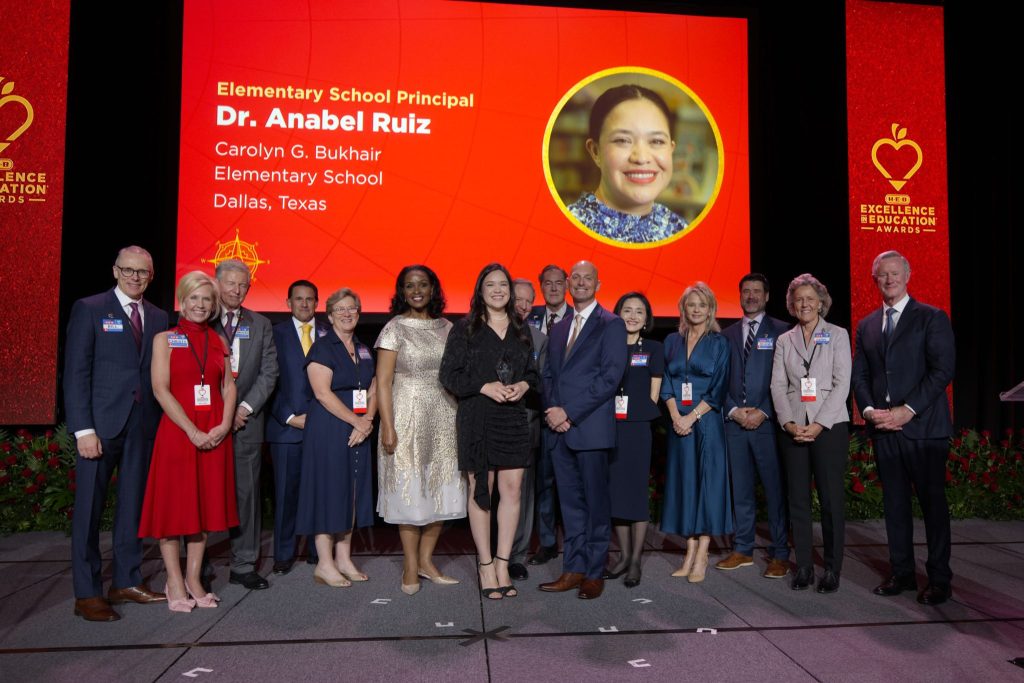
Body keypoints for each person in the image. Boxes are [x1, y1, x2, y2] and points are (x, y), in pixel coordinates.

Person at [64, 246, 169, 621]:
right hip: (100, 428)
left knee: (133, 509)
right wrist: (83, 429)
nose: (135, 277)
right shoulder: (90, 309)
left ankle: (125, 581)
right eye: (128, 270)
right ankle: (87, 592)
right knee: (89, 511)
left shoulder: (159, 317)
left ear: (151, 275)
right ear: (115, 271)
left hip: (143, 427)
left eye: (142, 272)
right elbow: (76, 373)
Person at [852, 251, 955, 606]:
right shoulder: (866, 325)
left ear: (908, 275)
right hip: (884, 429)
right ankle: (903, 573)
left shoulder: (931, 317)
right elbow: (860, 375)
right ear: (875, 280)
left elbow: (943, 370)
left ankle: (940, 579)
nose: (889, 279)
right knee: (894, 506)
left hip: (924, 429)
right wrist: (868, 410)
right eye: (882, 275)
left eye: (895, 273)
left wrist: (907, 411)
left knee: (932, 507)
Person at [139, 271, 238, 612]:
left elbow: (228, 386)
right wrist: (191, 430)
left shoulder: (219, 341)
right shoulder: (164, 339)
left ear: (214, 306)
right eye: (194, 298)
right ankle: (174, 581)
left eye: (206, 299)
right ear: (182, 301)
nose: (200, 304)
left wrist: (224, 424)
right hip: (179, 434)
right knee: (175, 510)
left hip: (213, 433)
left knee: (204, 509)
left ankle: (194, 578)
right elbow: (159, 389)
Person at [440, 264, 539, 599]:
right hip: (477, 419)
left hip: (513, 420)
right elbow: (449, 376)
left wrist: (524, 384)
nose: (498, 290)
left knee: (512, 491)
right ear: (479, 290)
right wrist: (483, 386)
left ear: (510, 291)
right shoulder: (464, 329)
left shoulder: (521, 329)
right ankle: (484, 566)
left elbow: (535, 376)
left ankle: (502, 563)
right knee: (481, 489)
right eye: (491, 284)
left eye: (503, 285)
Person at [538, 260, 627, 600]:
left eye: (587, 277)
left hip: (590, 430)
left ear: (598, 284)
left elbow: (610, 378)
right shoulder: (560, 328)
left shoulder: (611, 324)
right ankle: (572, 568)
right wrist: (552, 412)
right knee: (571, 507)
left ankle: (594, 571)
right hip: (560, 431)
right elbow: (548, 376)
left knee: (595, 505)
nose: (580, 283)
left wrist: (569, 413)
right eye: (574, 277)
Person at [375, 265, 466, 595]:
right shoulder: (393, 329)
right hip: (405, 415)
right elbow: (383, 383)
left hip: (444, 415)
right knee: (410, 493)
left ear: (433, 289)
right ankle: (409, 568)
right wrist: (387, 426)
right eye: (410, 285)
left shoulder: (448, 328)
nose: (417, 290)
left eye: (423, 284)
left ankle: (426, 561)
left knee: (441, 489)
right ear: (402, 291)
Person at [770, 274, 851, 593]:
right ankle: (803, 565)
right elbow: (777, 385)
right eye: (798, 299)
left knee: (831, 500)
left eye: (809, 298)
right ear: (791, 305)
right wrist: (789, 423)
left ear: (821, 302)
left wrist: (818, 424)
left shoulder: (838, 335)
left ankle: (832, 568)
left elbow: (842, 383)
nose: (804, 304)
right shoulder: (784, 340)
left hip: (828, 425)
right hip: (793, 426)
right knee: (798, 500)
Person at [296, 288, 377, 588]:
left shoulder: (364, 348)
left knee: (351, 493)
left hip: (358, 428)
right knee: (328, 492)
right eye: (340, 309)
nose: (347, 313)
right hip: (329, 428)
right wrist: (357, 420)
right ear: (329, 316)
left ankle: (344, 558)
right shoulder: (322, 348)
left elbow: (374, 388)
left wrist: (367, 421)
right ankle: (325, 564)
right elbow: (322, 393)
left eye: (352, 308)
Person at [717, 274, 790, 579]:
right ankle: (743, 548)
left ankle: (780, 553)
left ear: (767, 296)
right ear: (739, 295)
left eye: (756, 291)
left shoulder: (784, 332)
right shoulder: (726, 334)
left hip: (766, 424)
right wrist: (733, 410)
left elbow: (788, 379)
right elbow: (718, 379)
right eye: (745, 291)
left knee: (774, 491)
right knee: (741, 491)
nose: (751, 296)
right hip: (735, 424)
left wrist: (763, 411)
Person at [212, 259, 279, 591]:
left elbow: (269, 373)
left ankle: (243, 563)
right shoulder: (200, 318)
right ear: (216, 283)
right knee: (203, 491)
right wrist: (221, 412)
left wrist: (243, 409)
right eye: (231, 283)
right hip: (206, 422)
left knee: (247, 494)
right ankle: (199, 563)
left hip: (247, 423)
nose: (237, 290)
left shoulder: (261, 323)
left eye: (243, 285)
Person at [661, 282, 732, 583]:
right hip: (679, 423)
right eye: (691, 304)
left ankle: (702, 552)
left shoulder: (719, 343)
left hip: (706, 424)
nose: (696, 309)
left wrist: (691, 417)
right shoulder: (671, 341)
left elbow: (718, 390)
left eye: (702, 304)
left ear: (710, 309)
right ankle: (688, 551)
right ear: (683, 308)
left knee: (707, 485)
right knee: (685, 485)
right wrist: (677, 416)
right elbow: (666, 381)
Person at [567, 84, 687, 244]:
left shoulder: (679, 230)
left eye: (657, 141)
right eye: (622, 140)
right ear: (595, 151)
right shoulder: (567, 229)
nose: (642, 158)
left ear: (671, 149)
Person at [603, 292, 663, 588]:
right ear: (617, 313)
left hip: (638, 428)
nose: (633, 315)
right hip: (611, 427)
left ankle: (636, 561)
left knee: (637, 493)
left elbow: (655, 390)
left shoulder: (653, 348)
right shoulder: (607, 346)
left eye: (639, 311)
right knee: (616, 493)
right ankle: (624, 557)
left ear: (646, 318)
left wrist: (641, 412)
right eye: (627, 310)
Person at [266, 280, 326, 575]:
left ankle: (319, 551)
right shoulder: (272, 334)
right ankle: (284, 553)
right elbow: (266, 381)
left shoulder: (329, 334)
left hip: (324, 429)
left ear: (317, 303)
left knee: (320, 492)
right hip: (286, 429)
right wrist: (289, 417)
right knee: (286, 496)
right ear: (288, 302)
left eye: (310, 299)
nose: (304, 304)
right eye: (298, 299)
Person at [525, 264, 568, 567]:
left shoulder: (581, 320)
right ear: (541, 287)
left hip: (571, 414)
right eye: (548, 284)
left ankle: (578, 542)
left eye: (558, 283)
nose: (553, 289)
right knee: (544, 482)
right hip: (538, 413)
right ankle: (547, 542)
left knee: (574, 483)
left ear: (566, 285)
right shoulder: (529, 319)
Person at [508, 278, 548, 581]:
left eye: (527, 301)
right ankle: (492, 554)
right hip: (491, 424)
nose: (522, 306)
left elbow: (543, 383)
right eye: (517, 299)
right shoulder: (485, 332)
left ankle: (516, 555)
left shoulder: (538, 337)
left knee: (523, 494)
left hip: (526, 425)